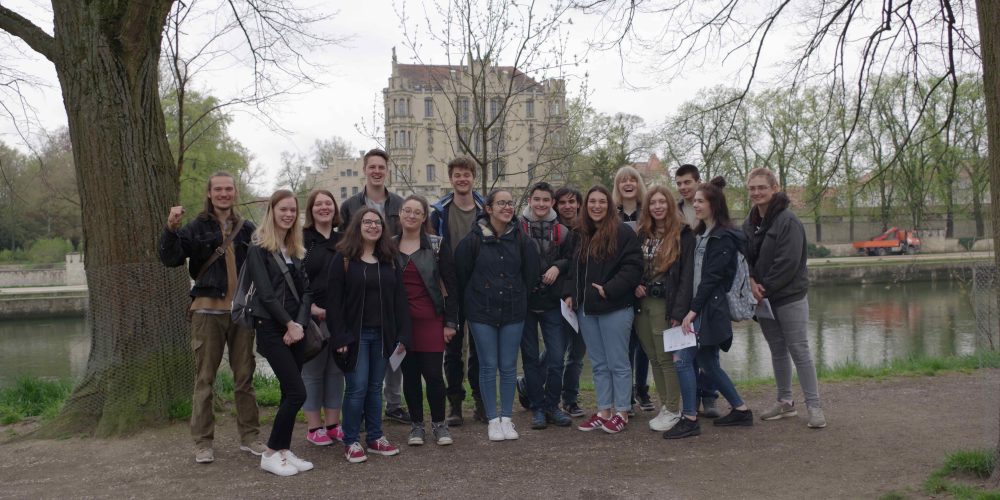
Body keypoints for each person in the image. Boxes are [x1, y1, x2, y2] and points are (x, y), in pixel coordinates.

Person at [158, 171, 263, 464]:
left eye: (228, 189)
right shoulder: (196, 227)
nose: (224, 194)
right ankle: (203, 442)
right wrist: (171, 228)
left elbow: (260, 268)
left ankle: (250, 437)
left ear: (235, 192)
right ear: (209, 193)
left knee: (245, 378)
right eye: (218, 189)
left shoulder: (247, 229)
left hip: (241, 313)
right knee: (205, 379)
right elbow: (170, 258)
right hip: (206, 311)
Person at [664, 177, 754, 439]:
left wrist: (691, 312)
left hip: (706, 310)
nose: (696, 205)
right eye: (694, 202)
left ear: (714, 204)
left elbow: (712, 279)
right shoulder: (701, 234)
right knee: (708, 363)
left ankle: (689, 418)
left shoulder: (722, 237)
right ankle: (741, 409)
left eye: (700, 201)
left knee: (682, 360)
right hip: (698, 308)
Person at [742, 167, 826, 428]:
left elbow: (788, 263)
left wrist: (762, 289)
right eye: (752, 188)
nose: (756, 192)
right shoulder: (751, 222)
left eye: (761, 187)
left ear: (774, 187)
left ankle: (814, 406)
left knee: (799, 350)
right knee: (777, 350)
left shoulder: (788, 221)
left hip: (789, 297)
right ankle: (785, 402)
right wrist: (752, 281)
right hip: (764, 299)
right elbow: (747, 256)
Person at [455, 189, 540, 441]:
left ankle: (507, 418)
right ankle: (492, 419)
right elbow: (462, 276)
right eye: (501, 203)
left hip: (513, 311)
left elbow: (531, 274)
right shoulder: (472, 241)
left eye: (510, 203)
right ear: (488, 209)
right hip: (481, 313)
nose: (507, 207)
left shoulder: (522, 240)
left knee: (508, 367)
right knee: (488, 365)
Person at [328, 208, 411, 463]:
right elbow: (334, 302)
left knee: (376, 388)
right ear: (358, 226)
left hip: (383, 335)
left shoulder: (390, 259)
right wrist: (340, 337)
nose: (373, 226)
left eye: (377, 222)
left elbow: (399, 300)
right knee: (357, 388)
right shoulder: (343, 258)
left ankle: (375, 437)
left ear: (383, 228)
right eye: (367, 222)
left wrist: (403, 334)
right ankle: (351, 440)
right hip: (356, 336)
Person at [244, 189, 314, 476]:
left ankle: (284, 449)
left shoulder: (296, 249)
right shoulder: (258, 248)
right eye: (282, 209)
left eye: (292, 210)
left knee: (288, 391)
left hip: (294, 329)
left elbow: (307, 291)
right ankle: (270, 453)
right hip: (271, 327)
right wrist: (288, 324)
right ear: (272, 211)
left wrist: (298, 324)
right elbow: (266, 294)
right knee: (298, 392)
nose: (287, 214)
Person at [564, 186, 643, 434]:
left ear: (609, 205)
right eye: (592, 202)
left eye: (601, 202)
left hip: (614, 306)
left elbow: (633, 267)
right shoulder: (579, 233)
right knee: (598, 363)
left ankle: (622, 411)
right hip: (586, 309)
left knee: (618, 362)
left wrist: (609, 289)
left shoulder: (622, 232)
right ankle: (604, 410)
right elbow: (571, 268)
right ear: (585, 206)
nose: (596, 206)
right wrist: (570, 294)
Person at [338, 148, 409, 425]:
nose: (377, 171)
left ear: (386, 171)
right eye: (372, 167)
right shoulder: (350, 205)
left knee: (390, 343)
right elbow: (344, 243)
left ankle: (393, 402)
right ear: (364, 170)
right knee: (362, 359)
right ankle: (360, 418)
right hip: (361, 278)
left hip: (390, 274)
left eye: (381, 167)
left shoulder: (398, 204)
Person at [395, 195, 460, 446]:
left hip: (432, 319)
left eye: (417, 212)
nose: (411, 215)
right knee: (409, 376)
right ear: (399, 214)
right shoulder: (389, 245)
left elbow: (451, 285)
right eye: (406, 211)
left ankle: (439, 424)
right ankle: (416, 426)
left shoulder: (436, 244)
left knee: (433, 374)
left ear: (424, 217)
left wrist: (450, 322)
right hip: (402, 324)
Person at [430, 157, 487, 425]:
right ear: (450, 178)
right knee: (452, 350)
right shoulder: (439, 211)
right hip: (450, 287)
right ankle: (454, 403)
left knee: (479, 347)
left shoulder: (485, 209)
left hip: (480, 286)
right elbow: (432, 249)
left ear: (473, 178)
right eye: (457, 175)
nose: (462, 179)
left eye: (466, 175)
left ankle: (480, 400)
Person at [634, 186, 693, 433]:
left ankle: (673, 407)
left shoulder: (683, 234)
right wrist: (635, 283)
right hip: (642, 303)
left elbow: (686, 278)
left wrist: (678, 313)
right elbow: (632, 264)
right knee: (653, 358)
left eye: (662, 202)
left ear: (670, 205)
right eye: (653, 203)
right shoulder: (642, 233)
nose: (657, 206)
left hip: (665, 305)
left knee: (667, 358)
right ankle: (665, 406)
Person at [517, 182, 573, 430]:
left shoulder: (562, 231)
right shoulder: (517, 228)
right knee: (530, 358)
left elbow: (572, 260)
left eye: (545, 200)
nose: (541, 204)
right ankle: (537, 407)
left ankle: (553, 405)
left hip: (552, 302)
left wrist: (558, 267)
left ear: (552, 202)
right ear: (530, 200)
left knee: (556, 356)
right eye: (536, 199)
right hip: (526, 303)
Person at [674, 163, 721, 418]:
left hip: (706, 286)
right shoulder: (676, 210)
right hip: (685, 284)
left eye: (687, 183)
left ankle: (710, 396)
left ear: (697, 182)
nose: (683, 188)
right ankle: (691, 399)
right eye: (679, 183)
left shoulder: (707, 208)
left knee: (709, 347)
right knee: (686, 348)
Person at [300, 190, 345, 446]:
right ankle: (314, 426)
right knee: (313, 372)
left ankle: (332, 424)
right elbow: (295, 279)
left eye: (328, 203)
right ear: (311, 210)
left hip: (339, 316)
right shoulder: (303, 241)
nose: (324, 208)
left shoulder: (344, 240)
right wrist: (310, 309)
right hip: (313, 316)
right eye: (319, 204)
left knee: (336, 371)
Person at [613, 166, 654, 413]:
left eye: (632, 180)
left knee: (645, 343)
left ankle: (642, 389)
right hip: (622, 286)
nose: (628, 184)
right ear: (617, 186)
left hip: (646, 284)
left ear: (638, 184)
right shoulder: (612, 215)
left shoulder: (648, 213)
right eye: (623, 181)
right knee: (625, 344)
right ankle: (625, 393)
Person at [554, 186, 586, 419]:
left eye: (571, 201)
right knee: (556, 349)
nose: (567, 206)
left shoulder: (587, 229)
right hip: (559, 297)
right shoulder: (552, 230)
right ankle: (531, 383)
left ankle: (570, 399)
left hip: (584, 297)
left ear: (578, 204)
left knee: (577, 351)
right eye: (562, 202)